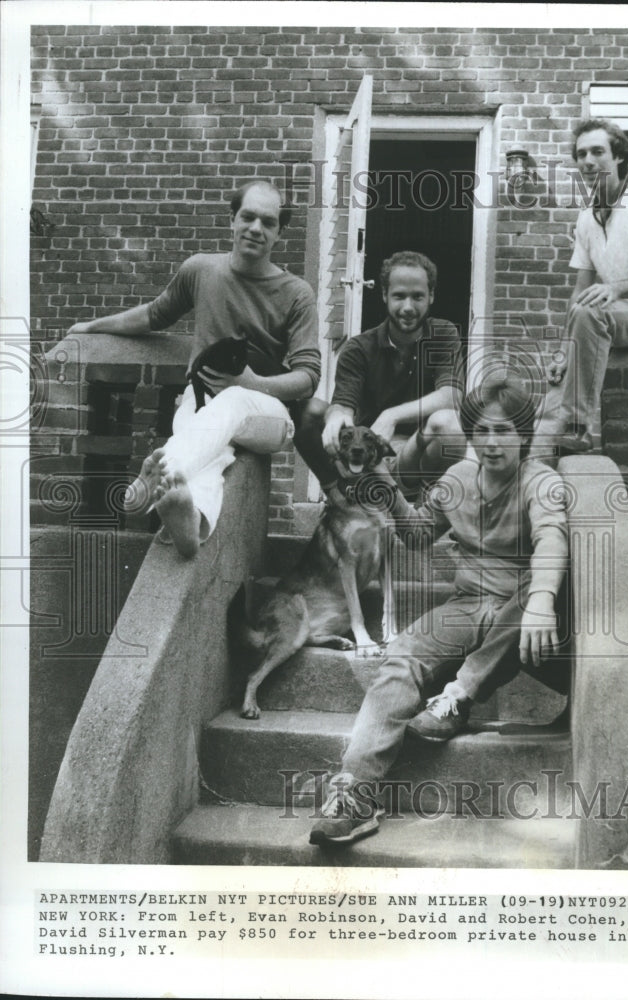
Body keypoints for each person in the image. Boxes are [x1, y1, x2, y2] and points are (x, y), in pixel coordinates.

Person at [308, 370, 569, 846]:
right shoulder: (457, 479)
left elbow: (552, 540)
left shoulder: (541, 481)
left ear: (524, 435)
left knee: (538, 580)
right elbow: (418, 533)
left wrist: (543, 602)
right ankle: (355, 794)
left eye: (504, 431)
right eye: (482, 431)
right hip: (469, 605)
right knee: (402, 655)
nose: (492, 443)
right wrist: (386, 486)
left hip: (525, 615)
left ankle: (460, 695)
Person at [66, 180, 330, 557]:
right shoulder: (201, 270)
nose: (256, 228)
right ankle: (190, 521)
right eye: (248, 217)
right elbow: (155, 314)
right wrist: (92, 326)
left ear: (279, 233)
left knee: (233, 400)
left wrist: (253, 382)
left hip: (269, 417)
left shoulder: (297, 292)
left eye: (268, 222)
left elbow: (308, 377)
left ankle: (154, 479)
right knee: (208, 445)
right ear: (232, 221)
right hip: (203, 402)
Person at [540, 118, 628, 455]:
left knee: (590, 311)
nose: (588, 161)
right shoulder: (586, 218)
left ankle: (578, 430)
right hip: (608, 315)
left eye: (597, 151)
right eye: (581, 154)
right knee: (551, 398)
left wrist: (615, 289)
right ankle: (546, 444)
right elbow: (580, 290)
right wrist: (563, 348)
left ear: (618, 157)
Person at [320, 251, 466, 498]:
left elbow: (452, 396)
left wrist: (392, 415)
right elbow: (344, 405)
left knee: (451, 425)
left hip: (422, 449)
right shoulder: (359, 348)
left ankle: (427, 509)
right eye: (399, 296)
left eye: (417, 296)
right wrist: (335, 418)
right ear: (384, 295)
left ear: (431, 296)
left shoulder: (443, 334)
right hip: (377, 458)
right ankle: (351, 497)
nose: (408, 307)